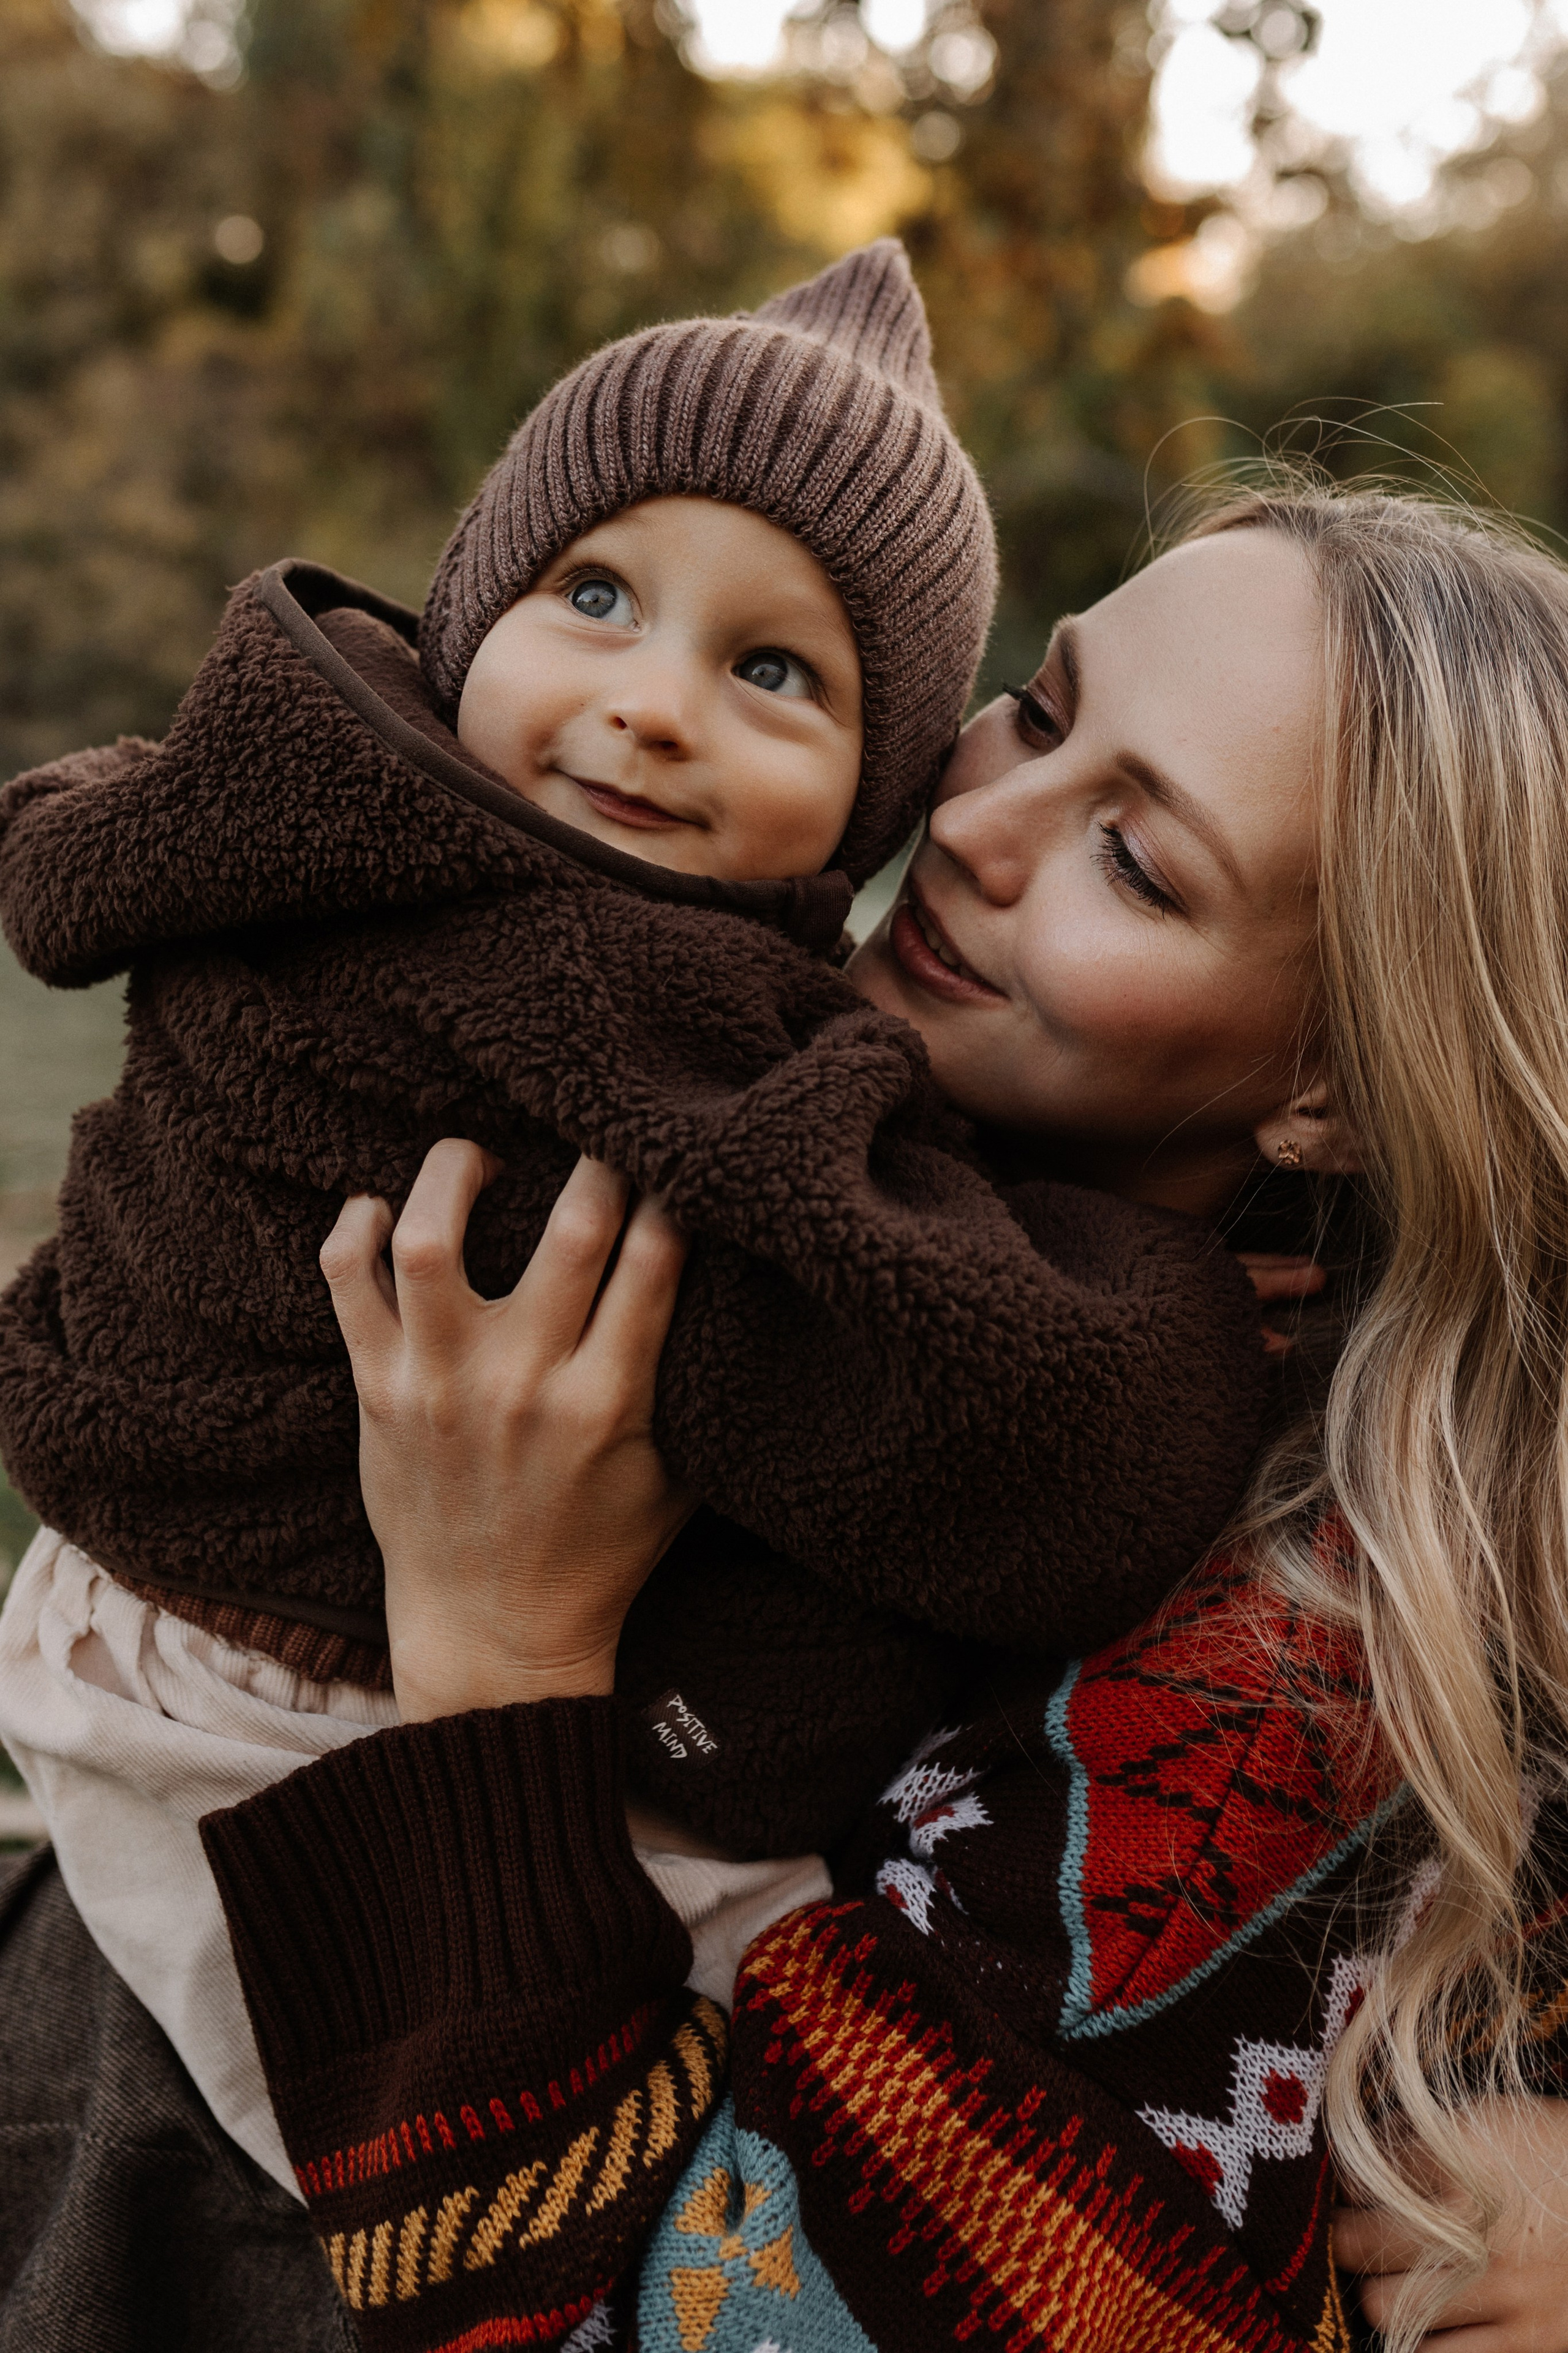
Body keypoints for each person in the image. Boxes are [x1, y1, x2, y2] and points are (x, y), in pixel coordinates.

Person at [202, 478, 1568, 2353]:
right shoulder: (818, 1180)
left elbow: (686, 2326)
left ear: (1338, 1082)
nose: (974, 817)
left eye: (1139, 863)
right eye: (1041, 703)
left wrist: (497, 1643)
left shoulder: (1264, 1700)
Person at [0, 236, 1266, 1897]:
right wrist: (1194, 1326)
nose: (653, 705)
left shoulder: (303, 808)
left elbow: (62, 843)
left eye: (771, 671)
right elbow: (1020, 1419)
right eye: (595, 597)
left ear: (868, 793)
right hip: (282, 1731)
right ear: (475, 615)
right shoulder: (607, 997)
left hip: (128, 1619)